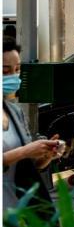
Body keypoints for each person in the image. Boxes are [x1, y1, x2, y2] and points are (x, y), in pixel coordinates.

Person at [3, 37, 62, 214]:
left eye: (17, 69)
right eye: (5, 71)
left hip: (18, 215)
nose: (14, 76)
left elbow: (27, 166)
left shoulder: (15, 112)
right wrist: (26, 151)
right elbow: (20, 154)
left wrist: (45, 156)